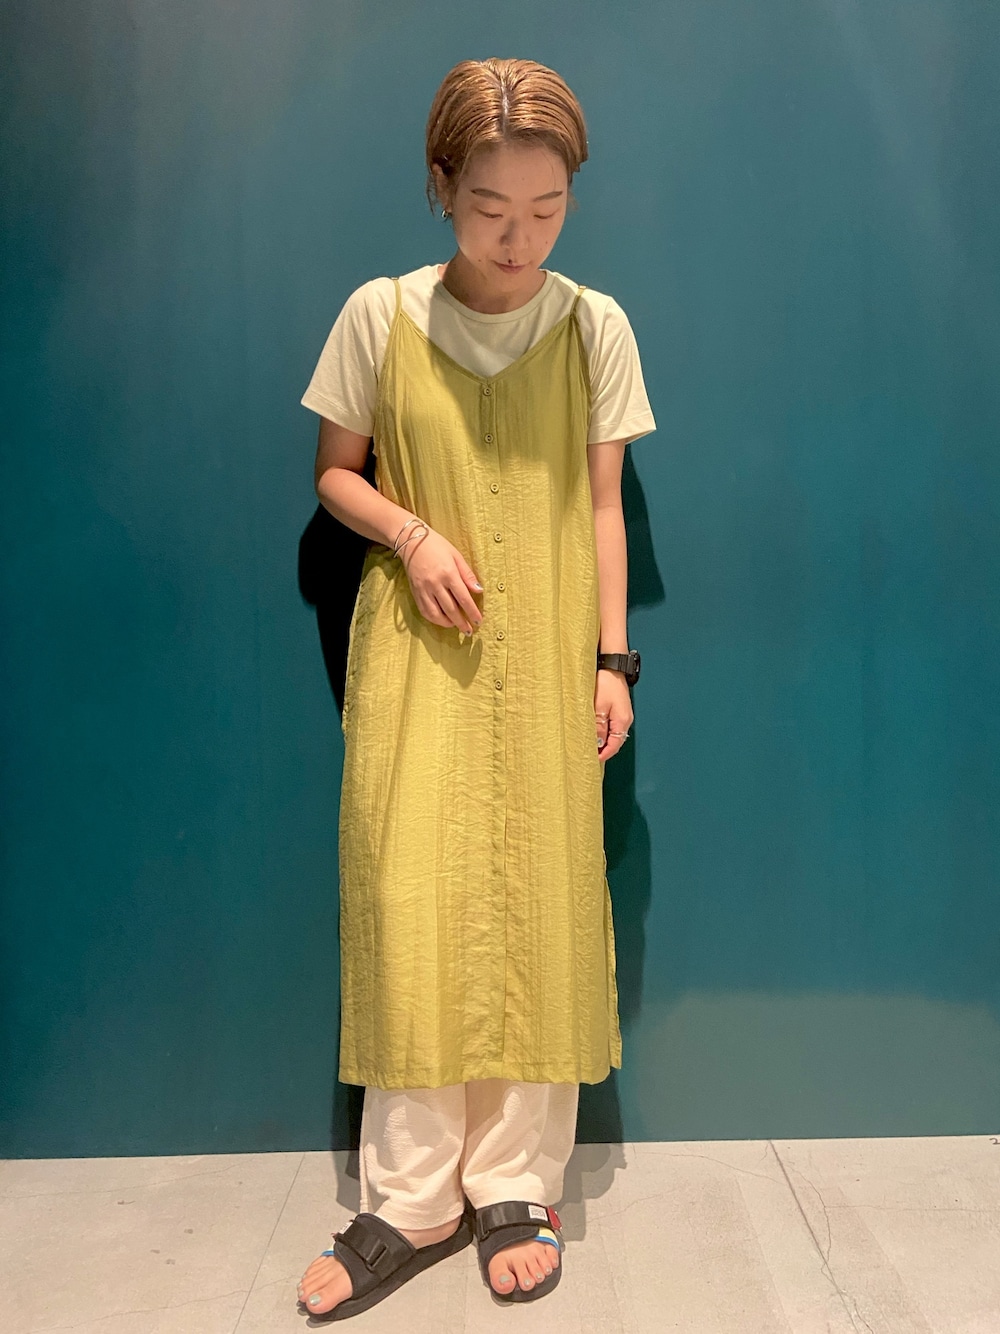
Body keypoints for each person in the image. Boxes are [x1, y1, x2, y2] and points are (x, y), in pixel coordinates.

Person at [296, 56, 656, 1320]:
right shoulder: (378, 315)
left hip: (549, 652)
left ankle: (513, 1183)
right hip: (418, 647)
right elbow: (334, 471)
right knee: (411, 903)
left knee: (539, 900)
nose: (520, 237)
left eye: (547, 208)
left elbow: (603, 505)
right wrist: (410, 533)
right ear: (442, 185)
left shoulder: (594, 326)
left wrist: (611, 659)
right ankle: (409, 1197)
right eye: (493, 207)